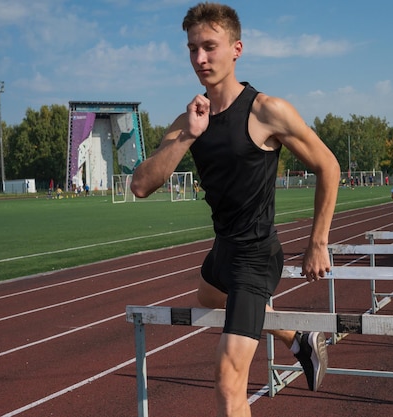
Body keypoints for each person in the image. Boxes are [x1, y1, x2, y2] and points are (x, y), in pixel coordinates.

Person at [130, 4, 341, 416]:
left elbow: (328, 165)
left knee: (228, 385)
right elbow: (140, 185)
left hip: (256, 255)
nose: (200, 59)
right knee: (208, 296)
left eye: (210, 47)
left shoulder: (266, 111)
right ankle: (297, 336)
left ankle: (295, 337)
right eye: (192, 49)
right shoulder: (191, 119)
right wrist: (187, 137)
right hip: (222, 252)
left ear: (236, 49)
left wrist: (318, 241)